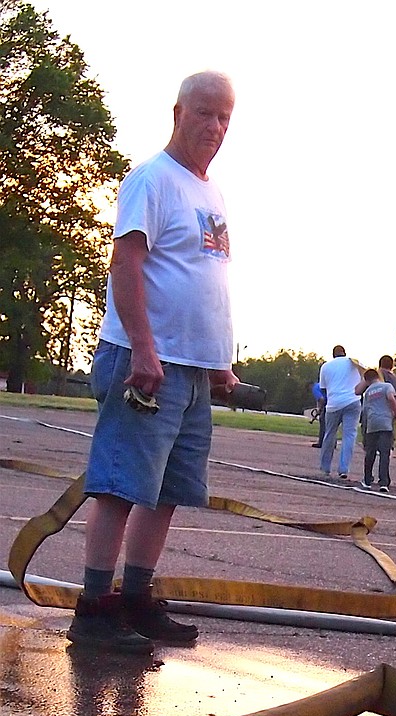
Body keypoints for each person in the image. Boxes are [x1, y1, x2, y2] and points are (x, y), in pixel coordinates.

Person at [66, 71, 238, 655]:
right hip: (148, 362)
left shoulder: (209, 191)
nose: (214, 127)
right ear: (177, 112)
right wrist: (142, 347)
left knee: (168, 492)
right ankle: (94, 607)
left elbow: (200, 281)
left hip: (191, 371)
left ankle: (135, 598)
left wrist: (219, 364)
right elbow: (127, 266)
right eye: (204, 113)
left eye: (224, 118)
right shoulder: (151, 180)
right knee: (121, 486)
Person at [318, 345, 362, 480]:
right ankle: (344, 469)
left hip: (333, 404)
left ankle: (325, 467)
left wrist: (327, 400)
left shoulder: (325, 367)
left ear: (333, 355)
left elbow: (323, 389)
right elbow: (366, 375)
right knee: (349, 436)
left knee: (329, 435)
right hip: (353, 401)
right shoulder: (353, 362)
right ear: (344, 353)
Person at [355, 368, 396, 491]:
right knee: (384, 453)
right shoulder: (387, 386)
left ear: (367, 381)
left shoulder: (368, 392)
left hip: (372, 424)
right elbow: (391, 399)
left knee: (370, 453)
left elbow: (365, 410)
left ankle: (367, 480)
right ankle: (383, 482)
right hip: (385, 423)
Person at [310, 380, 326, 447]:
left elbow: (321, 399)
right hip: (333, 401)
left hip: (328, 404)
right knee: (331, 425)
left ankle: (321, 442)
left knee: (323, 422)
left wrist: (321, 408)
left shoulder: (314, 388)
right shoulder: (319, 385)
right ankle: (332, 443)